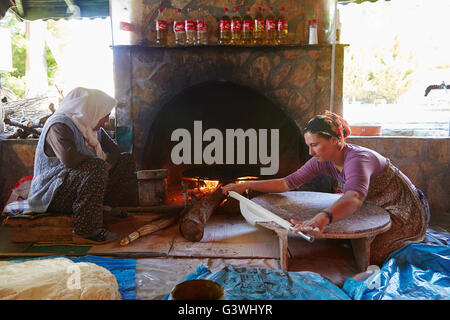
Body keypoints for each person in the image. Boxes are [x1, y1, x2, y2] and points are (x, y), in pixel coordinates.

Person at [222, 111, 430, 266]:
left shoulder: (357, 159)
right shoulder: (322, 159)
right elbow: (287, 183)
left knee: (373, 257)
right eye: (308, 146)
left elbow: (355, 197)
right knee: (347, 245)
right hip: (374, 207)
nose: (311, 152)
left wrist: (321, 218)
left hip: (405, 211)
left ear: (334, 139)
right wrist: (245, 185)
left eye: (315, 145)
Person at [27, 87, 136, 244]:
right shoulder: (58, 125)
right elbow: (69, 159)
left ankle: (102, 209)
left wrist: (108, 165)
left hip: (79, 185)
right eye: (105, 115)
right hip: (52, 193)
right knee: (96, 166)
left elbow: (114, 151)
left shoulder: (89, 125)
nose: (106, 120)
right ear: (93, 110)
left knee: (126, 160)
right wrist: (101, 165)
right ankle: (86, 231)